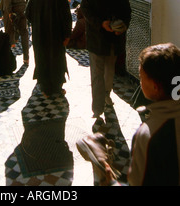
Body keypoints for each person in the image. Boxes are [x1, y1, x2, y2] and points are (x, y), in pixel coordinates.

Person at [77, 43, 180, 186]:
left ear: (155, 87)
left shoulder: (148, 135)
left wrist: (109, 178)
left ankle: (103, 165)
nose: (140, 81)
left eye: (141, 77)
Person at [81, 0, 131, 118]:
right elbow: (86, 11)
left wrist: (122, 27)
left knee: (109, 72)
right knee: (96, 74)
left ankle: (107, 94)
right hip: (97, 39)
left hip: (114, 40)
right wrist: (101, 23)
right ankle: (97, 108)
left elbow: (127, 12)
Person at [25, 0, 72, 98]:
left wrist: (37, 23)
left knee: (42, 60)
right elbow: (67, 18)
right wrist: (67, 35)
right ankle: (57, 87)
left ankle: (45, 88)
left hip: (39, 36)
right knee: (57, 60)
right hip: (56, 37)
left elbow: (27, 14)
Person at [0, 0, 33, 65]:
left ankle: (9, 60)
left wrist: (9, 12)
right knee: (24, 32)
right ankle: (26, 58)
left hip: (11, 10)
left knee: (9, 33)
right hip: (22, 8)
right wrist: (25, 4)